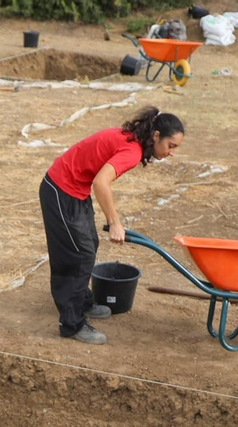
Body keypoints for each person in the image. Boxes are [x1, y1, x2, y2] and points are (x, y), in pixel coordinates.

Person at [40, 107, 185, 345]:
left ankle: (82, 302)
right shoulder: (132, 151)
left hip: (74, 189)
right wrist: (114, 222)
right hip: (60, 190)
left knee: (88, 245)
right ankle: (72, 324)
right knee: (79, 254)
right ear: (156, 136)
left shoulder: (132, 139)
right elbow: (101, 182)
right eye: (171, 145)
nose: (172, 153)